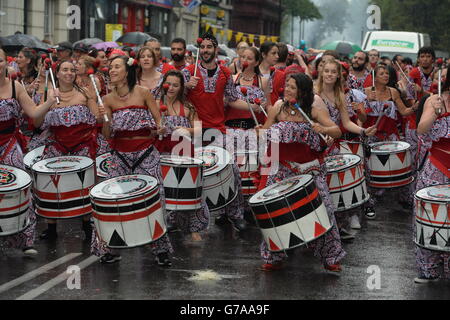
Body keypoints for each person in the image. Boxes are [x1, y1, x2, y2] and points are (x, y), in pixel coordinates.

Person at [256, 73, 346, 272]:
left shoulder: (313, 109)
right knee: (273, 211)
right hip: (281, 167)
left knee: (324, 210)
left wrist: (322, 128)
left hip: (309, 168)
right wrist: (259, 130)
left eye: (292, 87)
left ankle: (330, 257)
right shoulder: (278, 107)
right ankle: (274, 256)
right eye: (286, 86)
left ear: (302, 92)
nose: (287, 90)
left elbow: (337, 131)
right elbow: (265, 134)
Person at [95, 55, 173, 266]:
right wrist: (104, 118)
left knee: (155, 200)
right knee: (110, 200)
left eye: (116, 67)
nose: (111, 70)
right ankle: (111, 248)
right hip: (119, 155)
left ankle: (161, 249)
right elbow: (107, 135)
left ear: (127, 71)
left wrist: (161, 127)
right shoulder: (107, 99)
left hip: (146, 152)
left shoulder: (143, 93)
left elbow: (159, 121)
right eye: (110, 67)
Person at [182, 33, 262, 231]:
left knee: (231, 171)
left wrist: (254, 108)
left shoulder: (225, 72)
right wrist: (185, 86)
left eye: (210, 47)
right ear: (199, 49)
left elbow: (232, 98)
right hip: (194, 131)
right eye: (203, 47)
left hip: (218, 129)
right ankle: (183, 219)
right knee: (190, 175)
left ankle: (235, 214)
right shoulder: (188, 72)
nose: (206, 50)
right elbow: (174, 95)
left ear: (216, 49)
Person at [0, 48, 58, 256]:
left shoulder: (16, 87)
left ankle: (25, 239)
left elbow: (33, 113)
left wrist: (50, 101)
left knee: (21, 187)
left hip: (8, 143)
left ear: (6, 63)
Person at [35, 60, 100, 242]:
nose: (69, 73)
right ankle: (51, 227)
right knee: (52, 184)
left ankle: (87, 225)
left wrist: (98, 106)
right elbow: (38, 123)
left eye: (72, 70)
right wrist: (48, 102)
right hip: (57, 145)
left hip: (82, 145)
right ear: (57, 73)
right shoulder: (50, 94)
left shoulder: (84, 93)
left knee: (84, 185)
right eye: (65, 70)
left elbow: (97, 118)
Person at [317, 59, 376, 238]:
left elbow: (346, 122)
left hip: (334, 146)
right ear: (321, 73)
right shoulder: (313, 93)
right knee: (320, 189)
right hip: (317, 144)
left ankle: (338, 226)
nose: (329, 74)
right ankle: (320, 227)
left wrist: (363, 131)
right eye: (326, 71)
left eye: (332, 72)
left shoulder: (340, 95)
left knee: (336, 187)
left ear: (338, 75)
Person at [154, 70, 208, 241]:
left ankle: (193, 228)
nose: (171, 88)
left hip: (184, 150)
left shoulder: (188, 106)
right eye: (168, 84)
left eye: (175, 85)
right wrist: (158, 130)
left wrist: (187, 130)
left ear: (181, 87)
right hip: (162, 150)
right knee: (164, 188)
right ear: (163, 83)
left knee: (188, 188)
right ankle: (163, 223)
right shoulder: (155, 103)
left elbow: (199, 129)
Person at [363, 64, 418, 218]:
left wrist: (416, 106)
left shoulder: (393, 92)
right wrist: (366, 101)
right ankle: (369, 203)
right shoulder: (366, 92)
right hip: (372, 135)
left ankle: (405, 198)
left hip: (390, 136)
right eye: (382, 73)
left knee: (399, 168)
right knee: (370, 171)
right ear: (374, 77)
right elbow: (360, 116)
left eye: (387, 73)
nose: (386, 76)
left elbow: (404, 111)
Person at [414, 74, 450, 283]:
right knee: (431, 215)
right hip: (437, 166)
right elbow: (421, 129)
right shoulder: (435, 98)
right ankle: (429, 269)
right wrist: (435, 113)